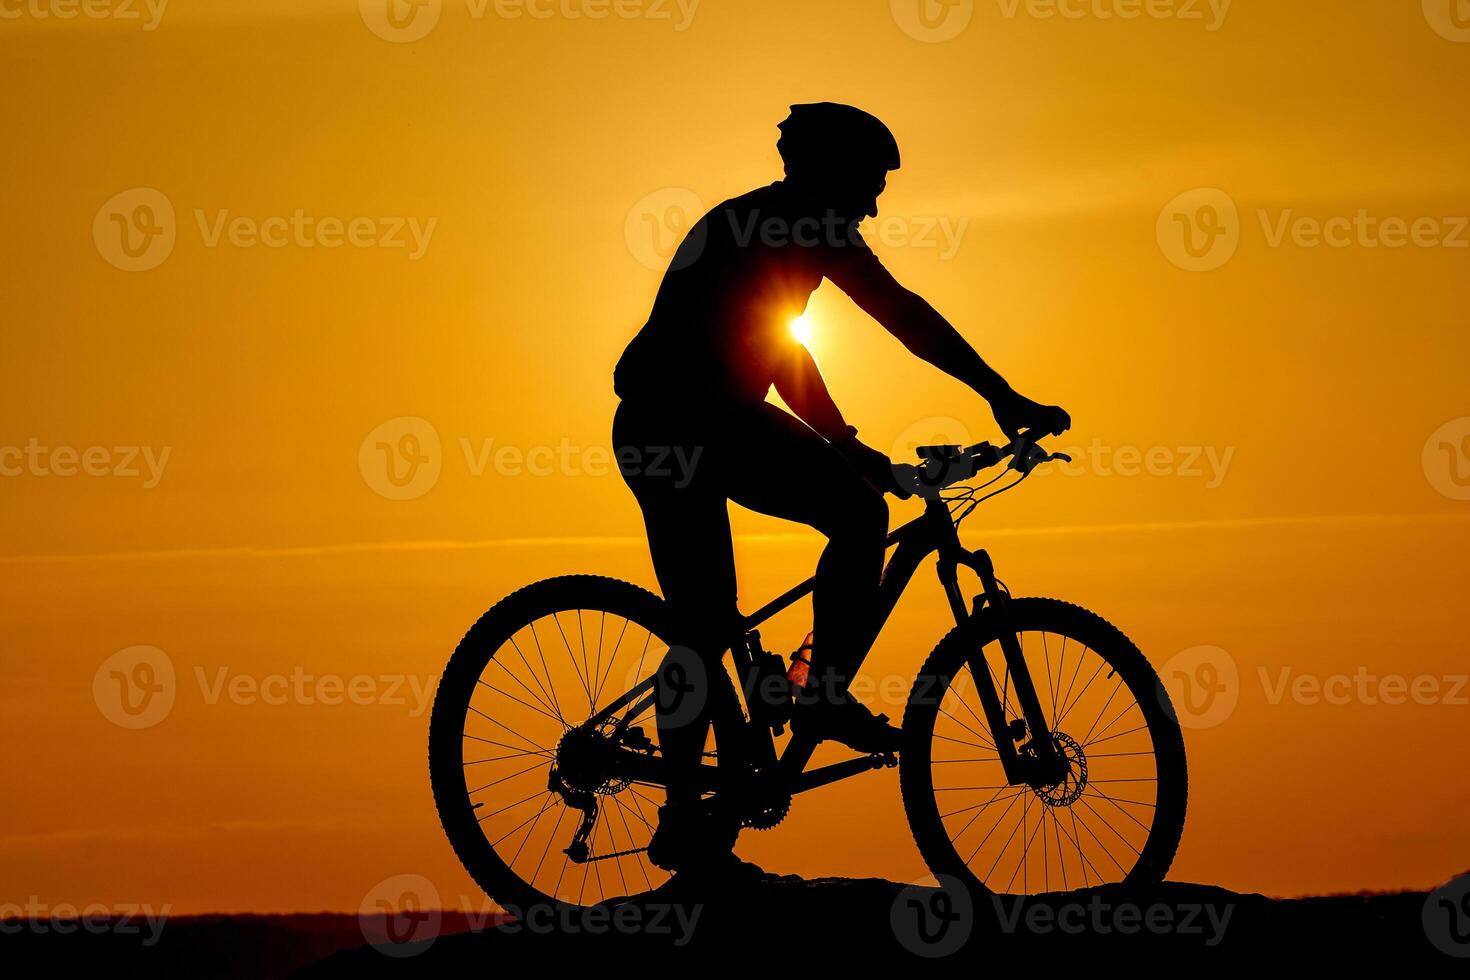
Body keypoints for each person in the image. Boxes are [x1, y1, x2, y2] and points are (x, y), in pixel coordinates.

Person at [612, 102, 1070, 873]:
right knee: (743, 594)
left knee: (805, 551)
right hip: (678, 427)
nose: (875, 203)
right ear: (827, 173)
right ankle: (726, 775)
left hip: (711, 421)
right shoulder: (767, 226)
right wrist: (985, 401)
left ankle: (777, 721)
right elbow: (845, 331)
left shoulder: (803, 228)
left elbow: (836, 331)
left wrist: (858, 436)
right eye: (870, 183)